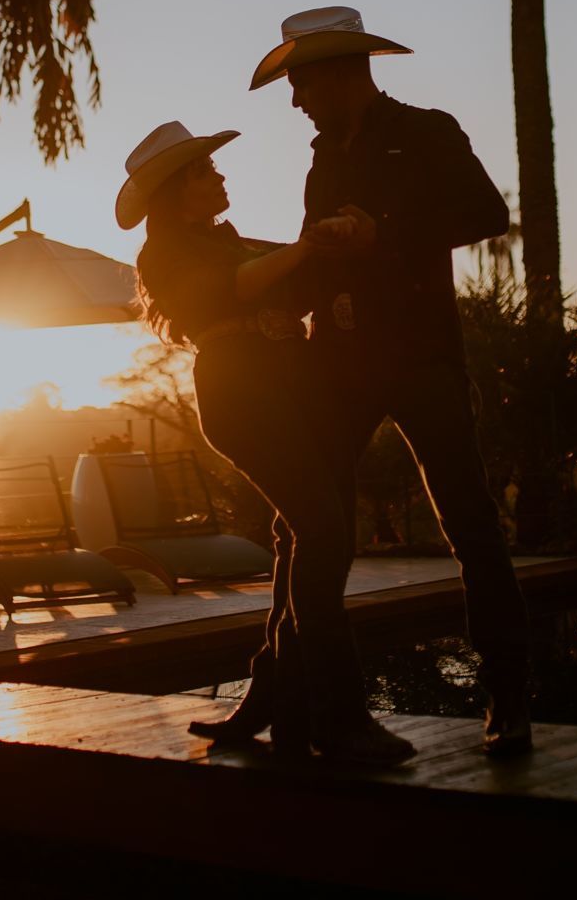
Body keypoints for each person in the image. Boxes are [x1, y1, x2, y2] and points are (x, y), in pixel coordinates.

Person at [241, 6, 533, 758]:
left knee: (470, 524)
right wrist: (280, 308)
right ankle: (279, 694)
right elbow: (320, 262)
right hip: (335, 366)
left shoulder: (429, 132)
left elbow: (487, 212)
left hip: (422, 359)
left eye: (301, 83)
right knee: (298, 530)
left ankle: (508, 699)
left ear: (342, 74)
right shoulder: (320, 163)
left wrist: (387, 231)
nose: (296, 100)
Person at [117, 119, 414, 765]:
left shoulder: (236, 242)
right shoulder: (164, 253)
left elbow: (293, 274)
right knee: (323, 533)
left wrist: (338, 238)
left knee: (306, 538)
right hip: (242, 396)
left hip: (296, 390)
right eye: (205, 171)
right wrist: (307, 248)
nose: (220, 176)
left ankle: (271, 695)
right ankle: (338, 717)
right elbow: (238, 288)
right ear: (176, 191)